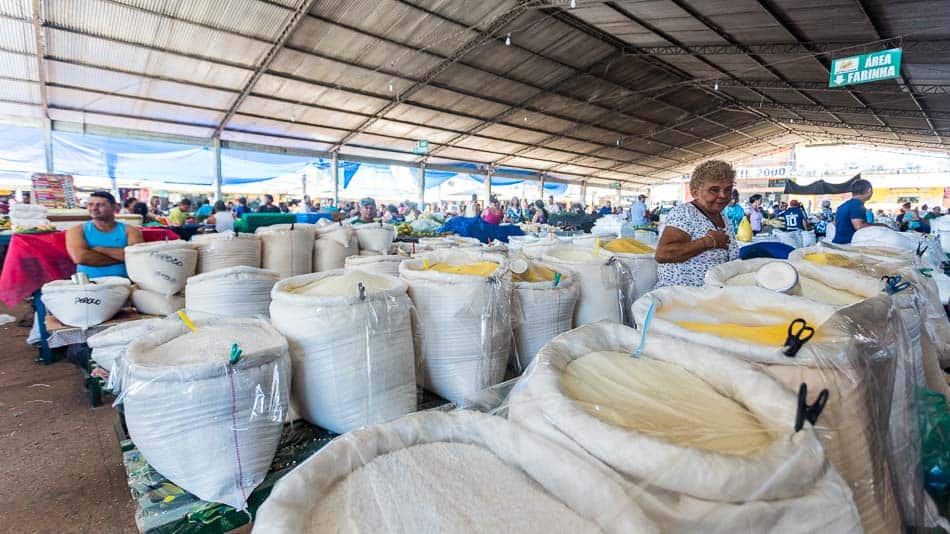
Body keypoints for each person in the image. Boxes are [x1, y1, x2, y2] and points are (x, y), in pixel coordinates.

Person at [654, 160, 738, 288]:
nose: (723, 195)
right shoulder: (685, 212)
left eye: (728, 189)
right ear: (694, 192)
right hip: (681, 298)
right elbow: (663, 254)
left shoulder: (721, 216)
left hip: (710, 297)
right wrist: (709, 242)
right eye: (714, 190)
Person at [65, 191, 144, 278]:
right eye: (90, 204)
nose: (94, 208)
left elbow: (137, 257)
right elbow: (81, 258)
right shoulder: (77, 230)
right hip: (90, 284)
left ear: (114, 207)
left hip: (125, 282)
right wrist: (123, 258)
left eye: (100, 205)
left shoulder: (131, 230)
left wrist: (101, 249)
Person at [832, 179, 885, 244]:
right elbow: (859, 227)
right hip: (848, 245)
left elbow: (834, 223)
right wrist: (880, 225)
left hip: (838, 243)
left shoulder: (842, 206)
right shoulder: (857, 204)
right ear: (869, 191)